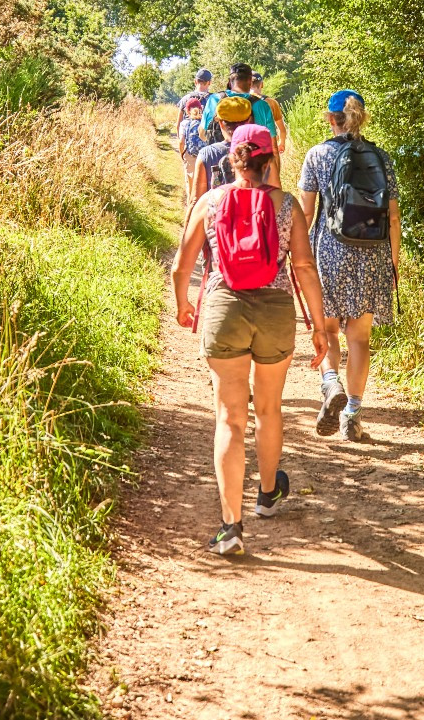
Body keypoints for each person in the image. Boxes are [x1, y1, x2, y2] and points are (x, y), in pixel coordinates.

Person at [172, 124, 332, 555]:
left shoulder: (209, 202)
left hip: (224, 307)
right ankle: (266, 494)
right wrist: (319, 327)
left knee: (229, 417)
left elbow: (181, 266)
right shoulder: (287, 205)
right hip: (276, 311)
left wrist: (184, 304)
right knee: (268, 408)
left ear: (232, 159)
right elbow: (303, 268)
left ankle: (231, 527)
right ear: (269, 160)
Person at [297, 90, 400, 442]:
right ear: (361, 117)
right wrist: (393, 266)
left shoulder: (317, 154)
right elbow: (394, 216)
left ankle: (330, 384)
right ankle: (352, 415)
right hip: (373, 255)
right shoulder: (381, 158)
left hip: (330, 251)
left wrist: (297, 256)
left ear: (331, 118)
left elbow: (306, 213)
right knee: (360, 337)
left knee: (327, 330)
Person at [189, 94, 252, 204]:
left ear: (221, 123)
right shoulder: (262, 153)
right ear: (249, 121)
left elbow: (195, 200)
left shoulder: (207, 154)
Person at [200, 63, 278, 143]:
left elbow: (202, 134)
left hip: (219, 154)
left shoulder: (215, 99)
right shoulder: (262, 105)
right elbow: (272, 142)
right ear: (250, 83)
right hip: (250, 154)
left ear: (230, 82)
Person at [177, 70, 214, 203]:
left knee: (192, 185)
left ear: (195, 81)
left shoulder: (186, 99)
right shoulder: (214, 99)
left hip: (190, 151)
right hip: (209, 150)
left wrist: (183, 151)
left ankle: (192, 214)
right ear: (209, 82)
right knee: (208, 185)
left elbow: (179, 123)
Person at [249, 72, 289, 154]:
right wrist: (282, 143)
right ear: (262, 84)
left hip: (248, 148)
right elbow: (282, 129)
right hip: (267, 148)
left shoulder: (242, 101)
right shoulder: (271, 102)